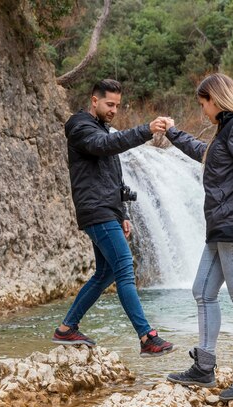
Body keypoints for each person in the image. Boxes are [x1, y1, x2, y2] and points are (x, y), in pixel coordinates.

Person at [164, 73, 233, 400]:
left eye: (203, 104)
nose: (203, 112)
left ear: (216, 99)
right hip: (221, 226)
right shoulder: (227, 129)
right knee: (202, 290)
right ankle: (204, 366)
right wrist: (172, 133)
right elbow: (204, 152)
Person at [52, 79, 174, 358]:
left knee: (106, 272)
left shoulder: (102, 128)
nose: (114, 110)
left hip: (107, 210)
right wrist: (145, 130)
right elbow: (105, 145)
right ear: (94, 100)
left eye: (117, 105)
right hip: (95, 210)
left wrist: (124, 213)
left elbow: (114, 178)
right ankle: (146, 337)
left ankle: (66, 329)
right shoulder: (80, 127)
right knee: (124, 266)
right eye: (109, 104)